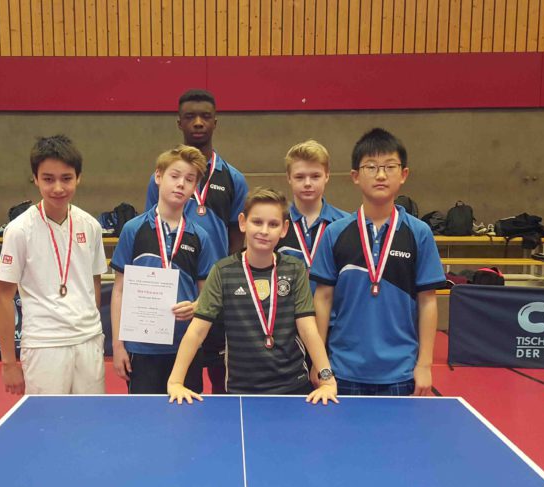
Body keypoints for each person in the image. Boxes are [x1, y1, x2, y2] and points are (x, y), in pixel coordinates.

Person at [166, 187, 338, 405]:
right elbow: (197, 330)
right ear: (242, 223)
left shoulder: (295, 269)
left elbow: (308, 329)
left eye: (273, 224)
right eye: (257, 222)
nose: (264, 231)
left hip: (293, 386)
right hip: (240, 389)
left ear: (284, 229)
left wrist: (327, 379)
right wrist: (176, 381)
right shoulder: (222, 271)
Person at [310, 128, 445, 396]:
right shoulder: (335, 233)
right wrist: (320, 363)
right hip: (343, 370)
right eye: (371, 167)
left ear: (403, 174)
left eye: (389, 166)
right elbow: (323, 298)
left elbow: (428, 301)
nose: (381, 175)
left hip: (401, 372)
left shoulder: (419, 233)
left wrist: (424, 364)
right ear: (355, 176)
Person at [145, 89, 248, 393]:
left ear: (216, 122)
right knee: (174, 371)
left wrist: (223, 274)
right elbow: (152, 228)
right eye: (190, 117)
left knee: (220, 373)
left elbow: (238, 232)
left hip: (216, 290)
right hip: (173, 293)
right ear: (179, 123)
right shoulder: (161, 179)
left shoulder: (233, 178)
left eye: (205, 116)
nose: (198, 122)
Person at [0, 135, 109, 395]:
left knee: (90, 416)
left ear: (78, 178)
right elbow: (3, 298)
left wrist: (89, 326)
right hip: (44, 343)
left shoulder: (90, 226)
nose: (58, 188)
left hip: (88, 339)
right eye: (48, 179)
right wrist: (8, 363)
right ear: (35, 179)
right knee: (49, 419)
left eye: (66, 178)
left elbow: (94, 281)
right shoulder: (19, 230)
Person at [110, 145, 218, 394]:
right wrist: (118, 345)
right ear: (158, 176)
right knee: (144, 415)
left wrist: (196, 306)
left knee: (187, 413)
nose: (181, 184)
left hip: (185, 346)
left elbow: (208, 295)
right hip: (141, 347)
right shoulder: (133, 229)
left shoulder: (200, 236)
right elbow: (119, 291)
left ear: (195, 187)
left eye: (189, 180)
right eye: (174, 176)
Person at [275, 139, 351, 289]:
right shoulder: (275, 222)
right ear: (288, 177)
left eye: (315, 176)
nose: (308, 183)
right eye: (299, 177)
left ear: (327, 176)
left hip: (332, 304)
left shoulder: (346, 224)